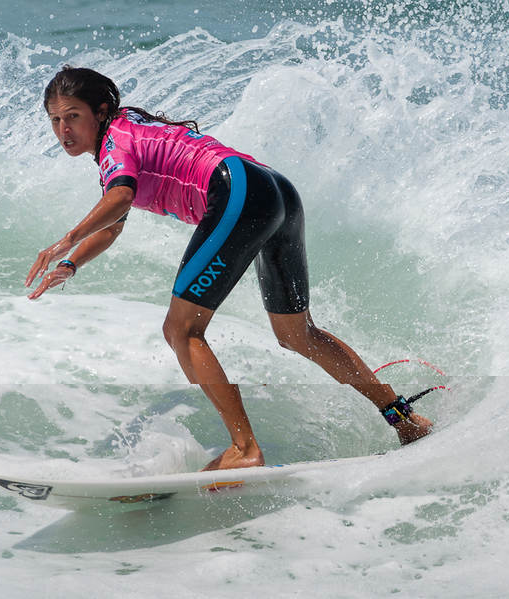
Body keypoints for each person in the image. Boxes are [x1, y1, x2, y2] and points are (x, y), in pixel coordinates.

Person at [25, 65, 433, 471]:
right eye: (55, 120)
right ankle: (404, 418)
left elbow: (121, 197)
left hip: (238, 193)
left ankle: (244, 449)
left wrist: (67, 238)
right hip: (275, 191)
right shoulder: (127, 131)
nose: (64, 130)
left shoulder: (115, 143)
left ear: (99, 112)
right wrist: (70, 263)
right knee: (298, 334)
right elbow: (113, 225)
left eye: (73, 116)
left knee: (181, 331)